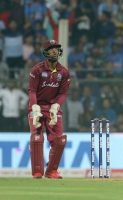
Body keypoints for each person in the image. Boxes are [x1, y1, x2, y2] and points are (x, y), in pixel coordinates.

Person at [27, 39, 70, 179]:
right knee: (37, 138)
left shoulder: (63, 72)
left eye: (56, 48)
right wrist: (34, 107)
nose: (54, 51)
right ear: (45, 52)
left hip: (53, 108)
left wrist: (56, 105)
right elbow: (32, 91)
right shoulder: (37, 70)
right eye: (51, 49)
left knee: (59, 140)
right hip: (37, 107)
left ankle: (52, 171)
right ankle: (37, 171)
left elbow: (63, 93)